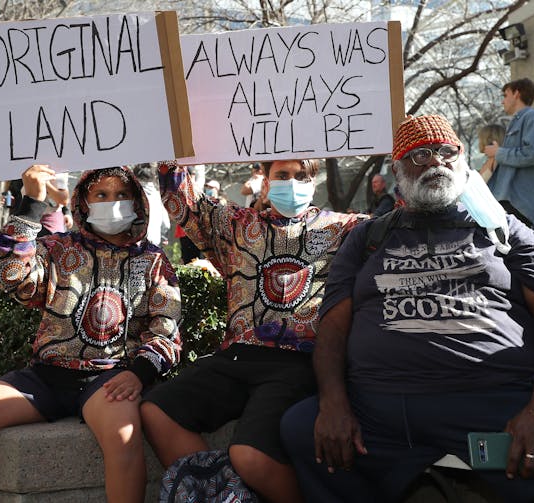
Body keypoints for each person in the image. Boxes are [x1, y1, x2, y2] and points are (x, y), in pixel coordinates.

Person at [280, 115, 534, 503]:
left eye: (446, 152)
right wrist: (334, 404)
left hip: (501, 400)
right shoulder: (367, 239)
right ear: (398, 171)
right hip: (383, 408)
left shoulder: (505, 231)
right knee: (301, 429)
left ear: (463, 161)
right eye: (420, 155)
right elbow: (333, 329)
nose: (436, 162)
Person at [0, 164, 182, 503]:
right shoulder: (55, 249)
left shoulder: (154, 261)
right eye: (102, 195)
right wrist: (31, 203)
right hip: (44, 378)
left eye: (122, 195)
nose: (113, 202)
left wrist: (140, 373)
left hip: (108, 380)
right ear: (84, 202)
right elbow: (10, 277)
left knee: (124, 439)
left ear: (137, 202)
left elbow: (167, 329)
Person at [141, 159, 366, 503]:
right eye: (283, 175)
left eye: (301, 176)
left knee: (251, 455)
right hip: (235, 356)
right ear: (265, 181)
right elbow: (179, 199)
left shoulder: (344, 228)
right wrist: (177, 145)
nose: (292, 184)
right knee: (157, 411)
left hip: (298, 362)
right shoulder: (236, 224)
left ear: (314, 181)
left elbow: (401, 224)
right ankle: (228, 496)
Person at [484, 78, 534, 233]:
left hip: (519, 204)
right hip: (509, 201)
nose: (502, 101)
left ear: (517, 94)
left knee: (513, 252)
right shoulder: (518, 121)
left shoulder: (533, 117)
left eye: (505, 95)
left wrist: (498, 153)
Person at [133, 163, 170, 247]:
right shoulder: (157, 196)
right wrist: (164, 237)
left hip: (135, 244)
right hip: (154, 243)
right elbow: (166, 223)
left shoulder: (132, 194)